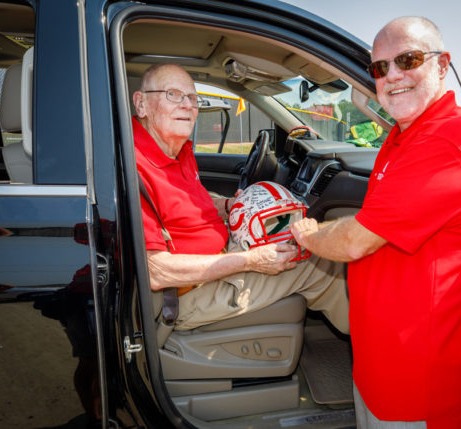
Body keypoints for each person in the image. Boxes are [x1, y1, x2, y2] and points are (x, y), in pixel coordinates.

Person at [291, 16, 461, 429]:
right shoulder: (405, 137)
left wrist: (308, 235)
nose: (392, 75)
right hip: (378, 360)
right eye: (380, 68)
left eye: (408, 59)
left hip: (414, 381)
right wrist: (374, 99)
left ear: (442, 65)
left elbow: (354, 242)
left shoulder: (452, 142)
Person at [131, 63, 349, 334]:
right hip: (184, 293)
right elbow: (155, 271)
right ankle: (377, 349)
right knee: (319, 262)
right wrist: (252, 260)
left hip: (219, 258)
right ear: (141, 104)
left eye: (192, 98)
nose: (187, 105)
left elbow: (182, 204)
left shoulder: (176, 149)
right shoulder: (134, 168)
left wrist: (227, 206)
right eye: (173, 95)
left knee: (292, 240)